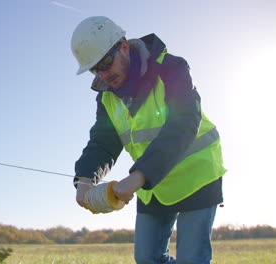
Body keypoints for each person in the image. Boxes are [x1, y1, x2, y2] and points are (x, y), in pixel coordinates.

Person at [70, 16, 226, 264]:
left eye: (106, 63)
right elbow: (102, 142)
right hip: (154, 186)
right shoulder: (106, 97)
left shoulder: (171, 68)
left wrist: (139, 176)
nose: (103, 74)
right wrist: (85, 178)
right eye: (95, 68)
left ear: (123, 46)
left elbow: (183, 123)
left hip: (197, 175)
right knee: (147, 259)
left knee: (192, 259)